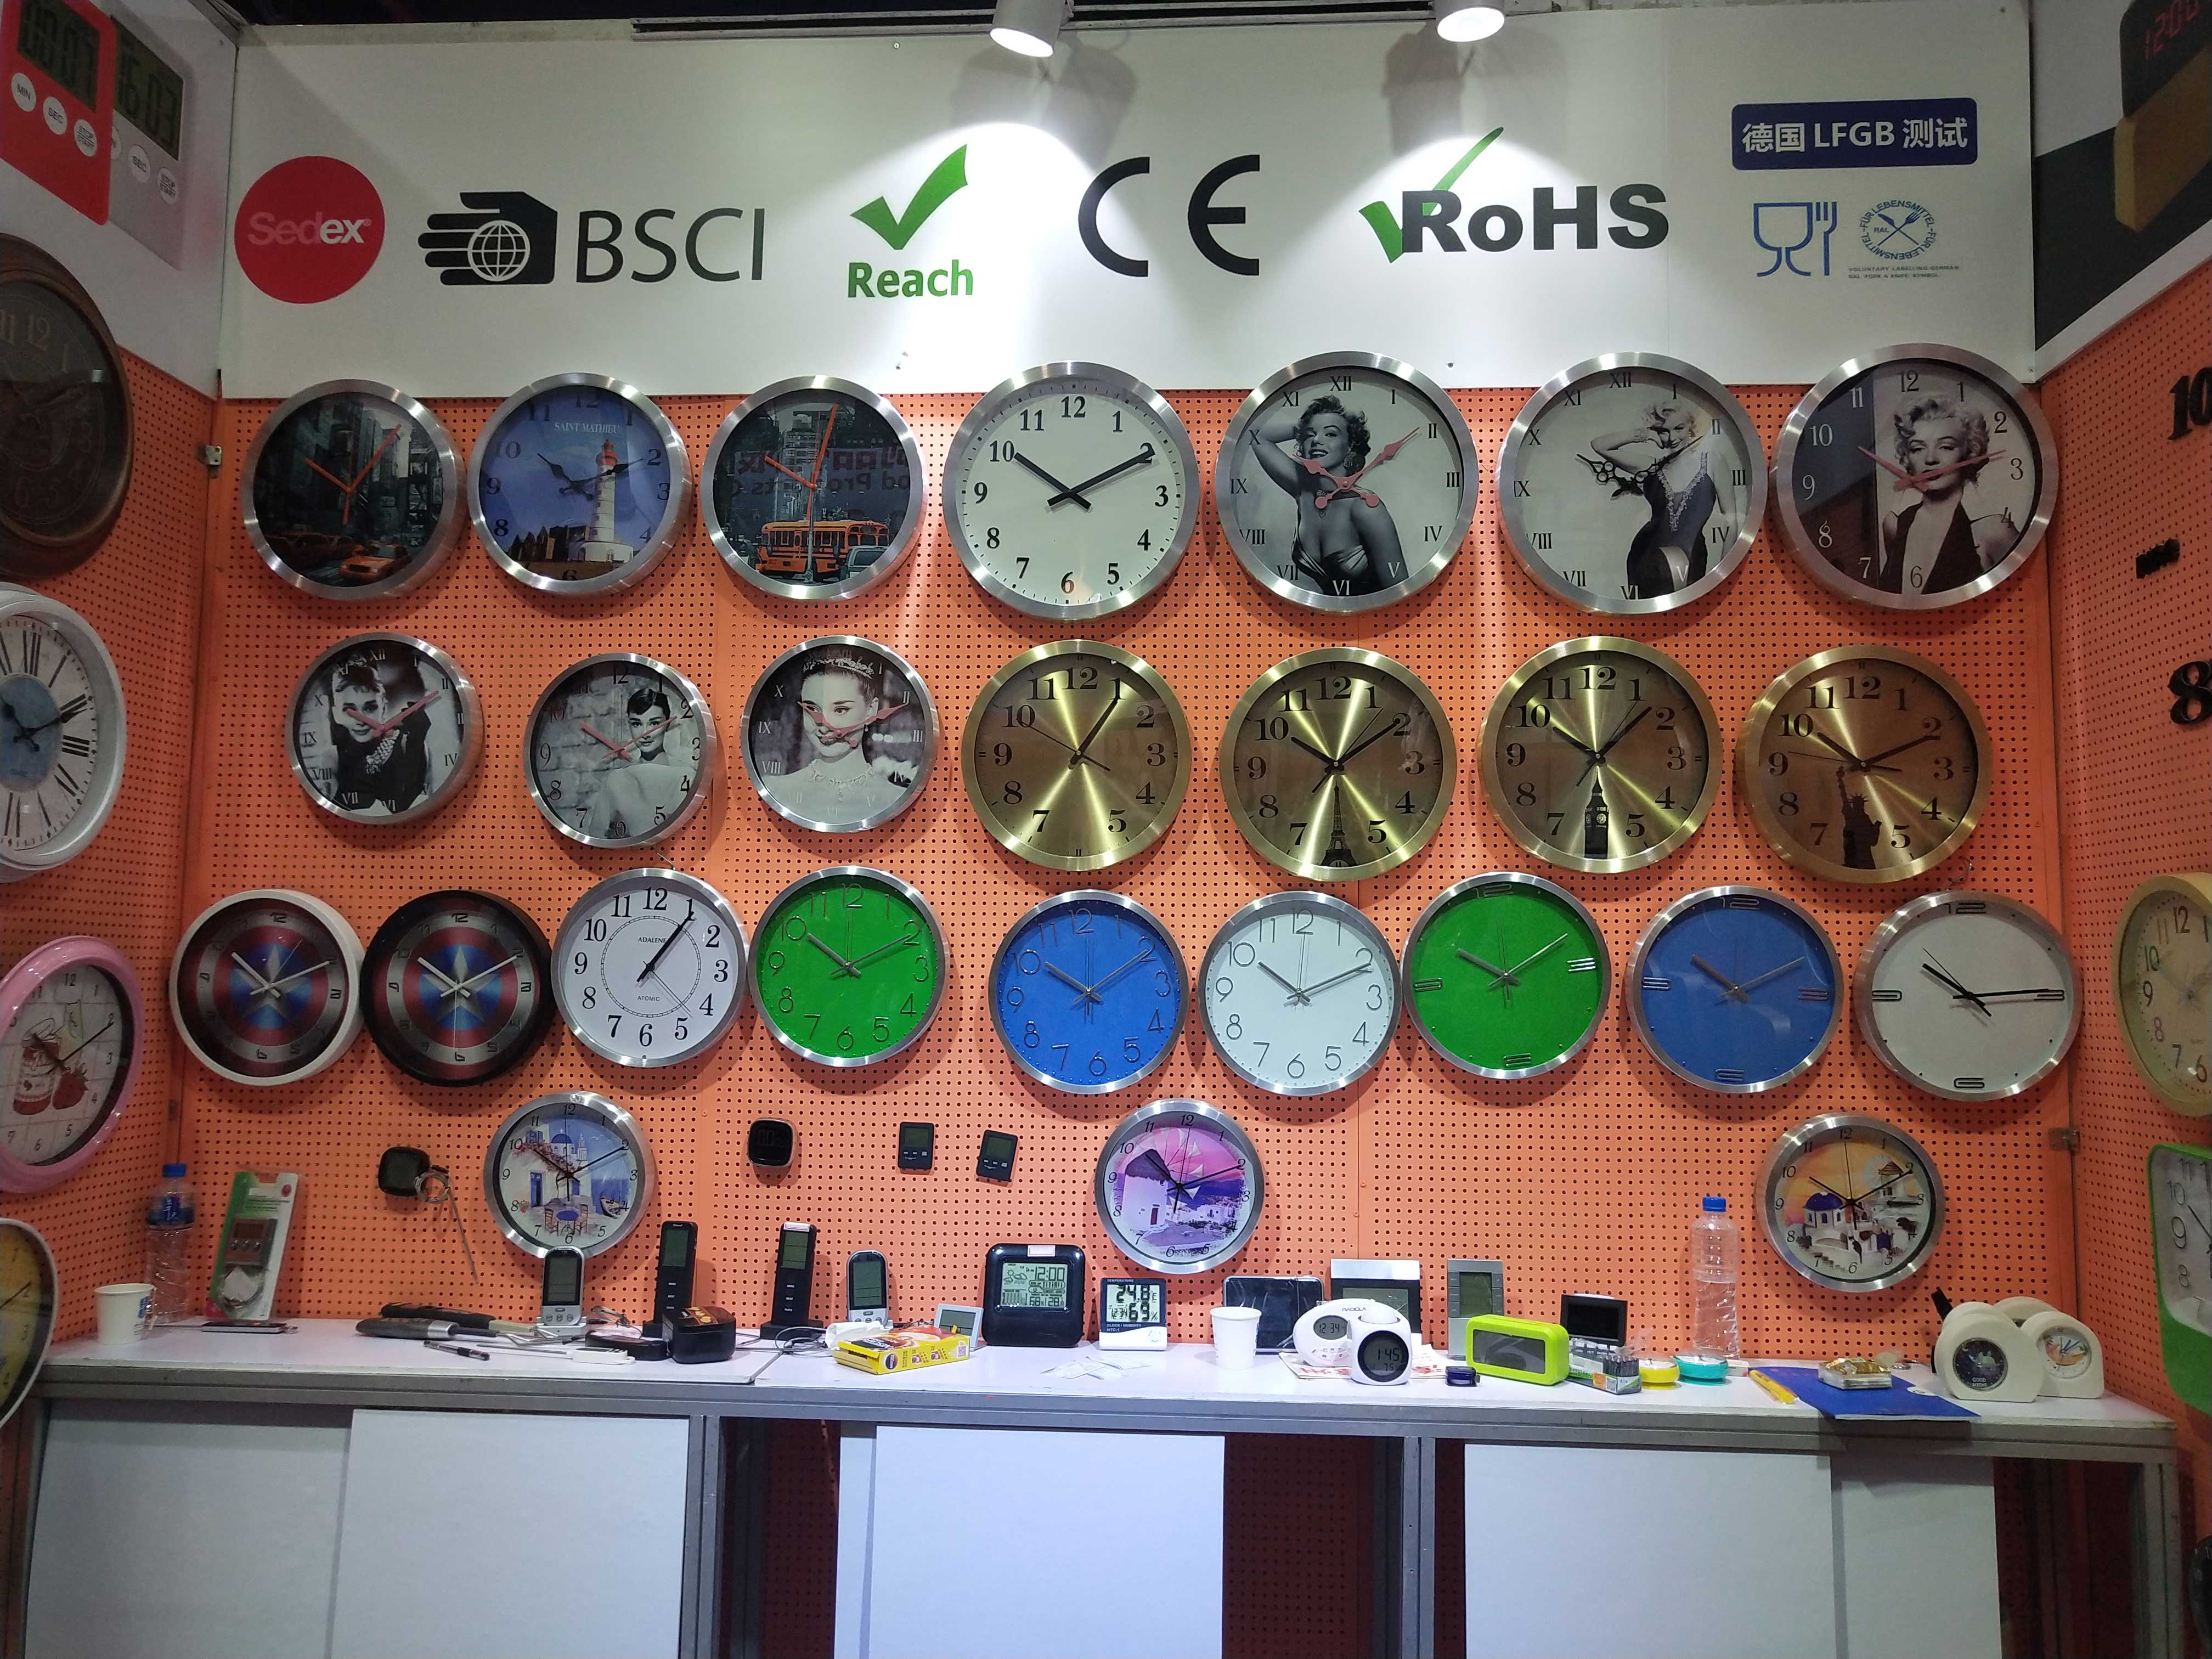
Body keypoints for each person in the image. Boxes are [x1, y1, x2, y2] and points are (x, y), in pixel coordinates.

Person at [1245, 395, 1408, 597]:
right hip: (1313, 613)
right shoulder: (1303, 490)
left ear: (1350, 445)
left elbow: (1400, 593)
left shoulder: (1366, 508)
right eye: (1310, 435)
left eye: (1330, 434)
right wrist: (1302, 426)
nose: (1316, 441)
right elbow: (1257, 436)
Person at [1876, 396, 2019, 596]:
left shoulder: (1993, 531)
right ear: (1907, 458)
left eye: (1946, 447)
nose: (1930, 459)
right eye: (1917, 449)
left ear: (1969, 453)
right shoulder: (1895, 525)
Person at [1588, 400, 1726, 598]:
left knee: (1684, 609)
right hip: (1647, 553)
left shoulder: (1712, 461)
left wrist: (1724, 572)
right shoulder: (1652, 467)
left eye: (1679, 428)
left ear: (1691, 426)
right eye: (1663, 431)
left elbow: (1732, 519)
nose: (1671, 438)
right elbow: (1600, 446)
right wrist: (1646, 434)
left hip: (1691, 553)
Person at [770, 652, 913, 825]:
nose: (824, 725)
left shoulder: (896, 798)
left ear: (871, 710)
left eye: (840, 710)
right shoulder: (775, 790)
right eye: (812, 710)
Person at [328, 644, 432, 815]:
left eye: (370, 708)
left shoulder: (407, 744)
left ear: (384, 707)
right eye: (350, 711)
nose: (361, 721)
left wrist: (417, 739)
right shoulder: (332, 756)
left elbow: (416, 800)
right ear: (336, 714)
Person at [586, 685, 690, 840]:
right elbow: (598, 835)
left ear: (667, 723)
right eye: (637, 724)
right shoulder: (616, 779)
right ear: (629, 724)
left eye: (654, 724)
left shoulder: (685, 775)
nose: (645, 734)